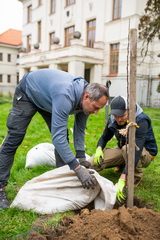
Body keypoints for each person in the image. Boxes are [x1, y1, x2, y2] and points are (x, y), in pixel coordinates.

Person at [0, 69, 109, 209]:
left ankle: (62, 183)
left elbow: (80, 128)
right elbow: (58, 139)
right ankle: (0, 188)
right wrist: (77, 168)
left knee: (63, 136)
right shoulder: (65, 95)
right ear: (86, 96)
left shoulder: (86, 98)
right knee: (14, 139)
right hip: (29, 92)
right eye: (95, 108)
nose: (96, 112)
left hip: (49, 98)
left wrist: (81, 156)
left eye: (99, 109)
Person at [89, 96, 158, 203]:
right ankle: (122, 165)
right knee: (92, 164)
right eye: (116, 116)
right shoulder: (113, 119)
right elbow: (104, 137)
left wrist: (122, 178)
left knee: (128, 149)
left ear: (129, 110)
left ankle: (135, 176)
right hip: (123, 148)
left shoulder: (140, 120)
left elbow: (136, 150)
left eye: (122, 115)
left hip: (145, 152)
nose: (119, 119)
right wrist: (99, 149)